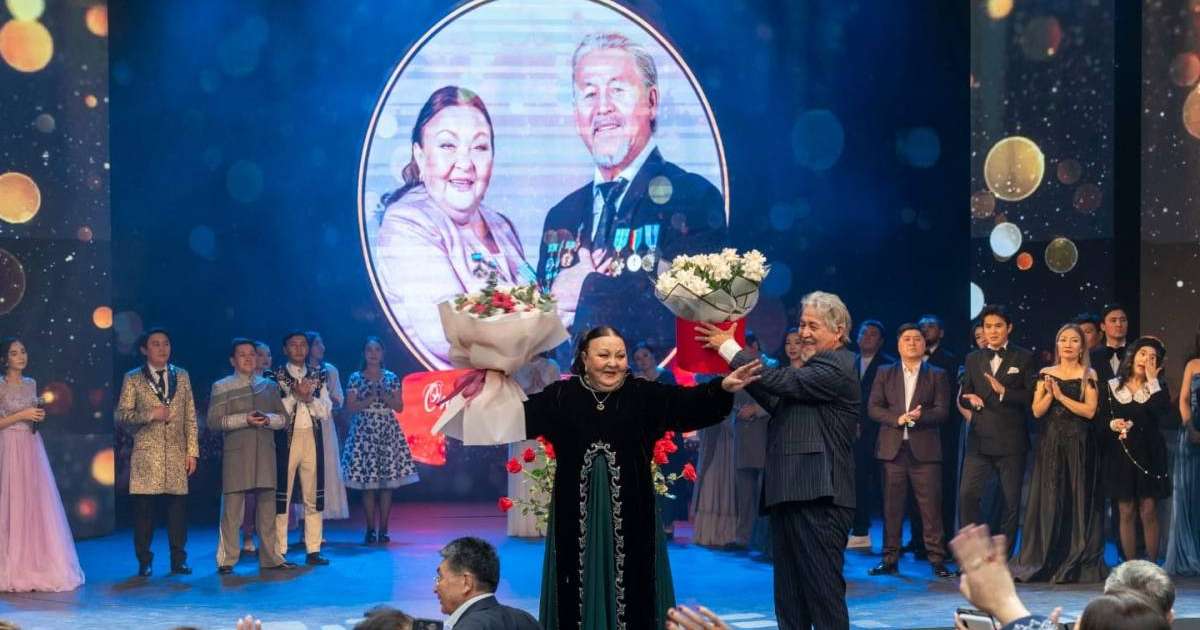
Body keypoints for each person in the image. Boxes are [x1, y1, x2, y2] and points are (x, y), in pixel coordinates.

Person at [522, 325, 759, 629]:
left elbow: (686, 404)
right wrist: (489, 388)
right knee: (575, 591)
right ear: (584, 357)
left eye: (620, 356)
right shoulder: (562, 396)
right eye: (603, 355)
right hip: (575, 522)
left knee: (636, 593)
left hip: (635, 519)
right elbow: (519, 417)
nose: (613, 363)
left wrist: (722, 388)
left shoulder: (642, 394)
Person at [536, 32, 725, 358]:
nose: (602, 107)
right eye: (589, 94)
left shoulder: (694, 199)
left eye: (617, 90)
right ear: (575, 112)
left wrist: (586, 290)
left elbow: (686, 314)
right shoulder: (560, 216)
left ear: (651, 101)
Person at [698, 291, 859, 630]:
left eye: (813, 325)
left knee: (822, 596)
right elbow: (777, 397)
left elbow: (785, 381)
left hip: (821, 497)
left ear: (839, 330)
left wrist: (730, 347)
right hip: (793, 492)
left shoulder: (838, 364)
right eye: (801, 324)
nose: (804, 332)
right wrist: (741, 375)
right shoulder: (814, 371)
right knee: (790, 599)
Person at [375, 86, 529, 370]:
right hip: (451, 407)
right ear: (420, 156)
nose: (465, 163)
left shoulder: (501, 225)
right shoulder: (406, 223)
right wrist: (555, 305)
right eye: (447, 145)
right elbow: (457, 335)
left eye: (480, 147)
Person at [1010, 324, 1107, 583]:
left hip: (1079, 444)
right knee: (1051, 498)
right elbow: (1037, 411)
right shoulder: (1046, 373)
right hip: (1051, 443)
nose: (1067, 344)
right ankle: (1046, 558)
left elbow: (1089, 411)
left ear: (1081, 346)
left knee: (1077, 499)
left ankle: (1074, 559)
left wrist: (1060, 396)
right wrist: (1050, 395)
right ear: (1057, 345)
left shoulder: (1089, 373)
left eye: (1074, 340)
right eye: (1063, 339)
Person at [867, 324, 952, 578]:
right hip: (893, 449)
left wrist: (918, 417)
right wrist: (899, 419)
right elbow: (873, 408)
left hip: (925, 451)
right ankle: (889, 559)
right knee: (891, 508)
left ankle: (937, 559)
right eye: (907, 339)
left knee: (930, 508)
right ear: (898, 344)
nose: (912, 343)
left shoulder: (937, 374)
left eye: (917, 339)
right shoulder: (885, 372)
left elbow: (942, 411)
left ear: (924, 345)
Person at [0, 337, 85, 592]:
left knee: (33, 503)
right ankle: (11, 564)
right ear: (5, 359)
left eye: (23, 351)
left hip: (30, 444)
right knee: (11, 501)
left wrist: (36, 415)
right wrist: (22, 415)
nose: (21, 356)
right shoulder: (0, 385)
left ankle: (33, 561)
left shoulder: (31, 383)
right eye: (14, 353)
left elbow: (31, 413)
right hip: (8, 445)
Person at [208, 338, 296, 575]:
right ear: (232, 360)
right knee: (232, 511)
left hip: (265, 453)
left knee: (268, 510)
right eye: (242, 354)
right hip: (237, 455)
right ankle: (226, 560)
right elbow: (214, 421)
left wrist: (267, 419)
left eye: (251, 354)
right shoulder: (222, 386)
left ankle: (271, 557)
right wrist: (243, 419)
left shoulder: (268, 386)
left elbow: (283, 419)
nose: (248, 358)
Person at [116, 327, 199, 577]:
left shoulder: (181, 376)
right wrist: (150, 414)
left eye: (165, 343)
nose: (162, 348)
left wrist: (192, 452)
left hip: (176, 453)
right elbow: (123, 416)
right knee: (144, 513)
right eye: (155, 344)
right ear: (144, 349)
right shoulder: (133, 378)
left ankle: (178, 559)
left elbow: (190, 417)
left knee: (177, 511)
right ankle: (144, 560)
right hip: (147, 455)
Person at [958, 305, 1034, 555]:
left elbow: (1032, 397)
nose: (992, 331)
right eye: (988, 326)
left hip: (1011, 441)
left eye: (998, 326)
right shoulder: (973, 358)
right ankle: (974, 555)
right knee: (968, 495)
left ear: (1008, 328)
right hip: (979, 440)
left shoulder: (1023, 357)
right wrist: (970, 400)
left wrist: (1005, 393)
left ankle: (1003, 557)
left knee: (1011, 502)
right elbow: (964, 395)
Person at [1101, 336, 1173, 562]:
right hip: (1121, 455)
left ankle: (1151, 565)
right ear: (1132, 357)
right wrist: (1113, 424)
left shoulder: (1158, 388)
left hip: (1150, 454)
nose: (1147, 359)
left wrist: (1153, 381)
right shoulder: (1113, 386)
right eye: (1143, 354)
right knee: (1126, 510)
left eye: (1153, 357)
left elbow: (1163, 416)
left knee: (1149, 509)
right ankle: (1130, 565)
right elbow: (1101, 419)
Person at [341, 337, 417, 544]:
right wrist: (369, 398)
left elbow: (399, 407)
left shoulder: (391, 377)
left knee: (386, 485)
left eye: (377, 350)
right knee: (369, 485)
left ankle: (383, 529)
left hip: (386, 430)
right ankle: (369, 529)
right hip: (364, 432)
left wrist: (383, 395)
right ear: (364, 353)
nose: (373, 354)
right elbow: (350, 407)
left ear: (383, 353)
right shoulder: (356, 378)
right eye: (369, 350)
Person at [269, 331, 332, 565]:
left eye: (303, 344)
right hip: (286, 439)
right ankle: (279, 549)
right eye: (293, 345)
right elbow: (275, 413)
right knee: (282, 495)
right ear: (285, 349)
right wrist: (295, 395)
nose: (299, 349)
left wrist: (308, 399)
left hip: (311, 438)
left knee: (312, 494)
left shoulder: (318, 374)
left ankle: (313, 548)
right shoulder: (273, 375)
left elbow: (325, 411)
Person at [630, 342, 691, 540]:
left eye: (645, 356)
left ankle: (668, 524)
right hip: (646, 437)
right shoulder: (635, 380)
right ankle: (649, 523)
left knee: (669, 479)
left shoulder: (667, 377)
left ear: (654, 356)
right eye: (638, 358)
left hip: (667, 436)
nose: (642, 361)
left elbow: (670, 405)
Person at [915, 313, 961, 556]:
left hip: (942, 432)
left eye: (931, 326)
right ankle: (916, 539)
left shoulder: (950, 360)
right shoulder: (909, 359)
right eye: (921, 326)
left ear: (941, 333)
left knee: (940, 487)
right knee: (914, 488)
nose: (925, 330)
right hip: (912, 432)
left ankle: (941, 541)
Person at [848, 320, 892, 550]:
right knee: (857, 483)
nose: (866, 336)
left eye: (873, 334)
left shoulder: (889, 366)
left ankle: (890, 538)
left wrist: (863, 422)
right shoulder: (849, 362)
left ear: (881, 341)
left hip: (880, 433)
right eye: (863, 332)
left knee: (885, 487)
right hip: (852, 434)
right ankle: (860, 530)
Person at [433, 537, 540, 630]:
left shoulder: (468, 627)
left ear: (466, 583)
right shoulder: (526, 619)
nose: (435, 588)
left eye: (440, 578)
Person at [508, 353, 561, 538]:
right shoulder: (515, 365)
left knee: (543, 472)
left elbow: (557, 397)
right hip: (523, 424)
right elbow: (510, 397)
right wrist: (529, 389)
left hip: (546, 427)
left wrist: (543, 388)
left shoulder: (551, 365)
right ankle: (524, 526)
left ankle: (545, 524)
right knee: (523, 470)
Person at [1166, 328, 1200, 575]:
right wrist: (1190, 427)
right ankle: (1191, 553)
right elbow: (1184, 399)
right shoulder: (1193, 365)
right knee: (1191, 495)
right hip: (1193, 433)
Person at [305, 331, 349, 522]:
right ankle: (304, 522)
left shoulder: (330, 370)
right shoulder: (297, 370)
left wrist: (324, 396)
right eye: (317, 344)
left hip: (325, 425)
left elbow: (338, 398)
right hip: (304, 425)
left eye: (322, 343)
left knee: (325, 469)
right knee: (306, 471)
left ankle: (320, 522)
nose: (321, 348)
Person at [1091, 304, 1129, 384]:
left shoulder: (1137, 353)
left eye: (1123, 320)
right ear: (1103, 326)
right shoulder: (1092, 355)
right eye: (1113, 320)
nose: (1119, 324)